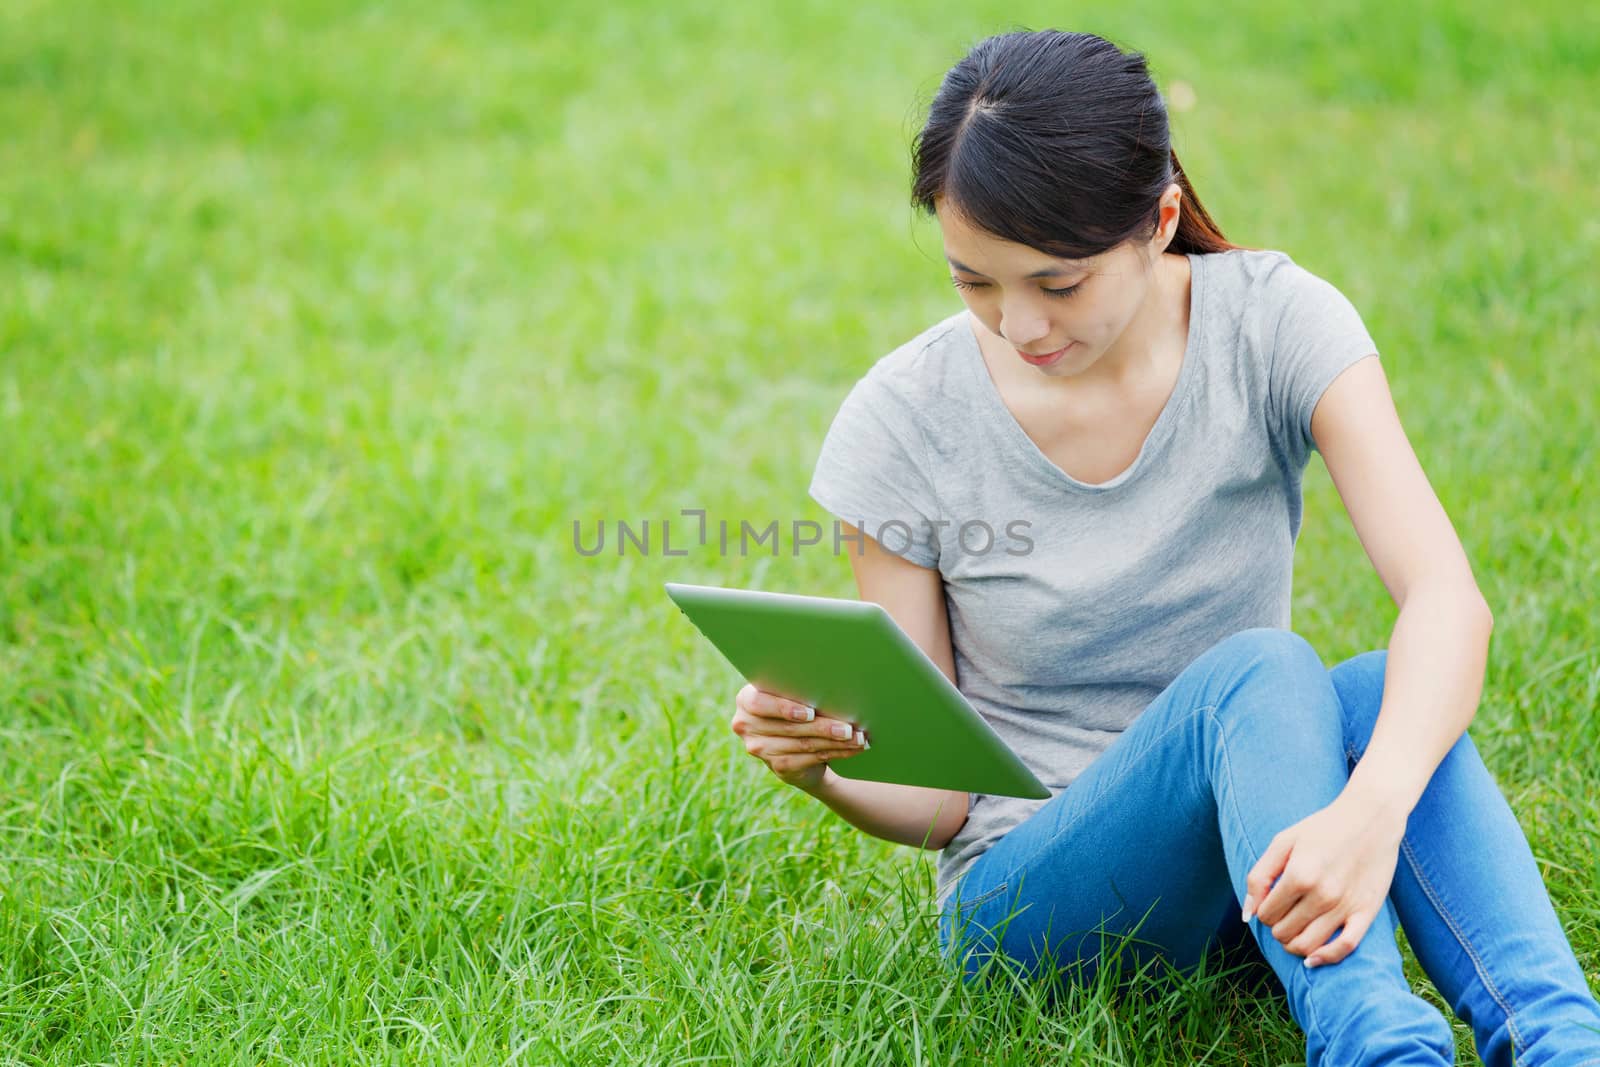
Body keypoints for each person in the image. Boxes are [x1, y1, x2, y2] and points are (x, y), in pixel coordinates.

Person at [727, 27, 1600, 1067]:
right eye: (975, 282)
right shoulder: (904, 420)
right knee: (1267, 669)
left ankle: (1560, 1041)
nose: (1018, 325)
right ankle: (1374, 1044)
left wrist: (1372, 806)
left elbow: (1446, 600)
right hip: (1030, 907)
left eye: (1059, 284)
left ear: (1160, 220)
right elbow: (937, 799)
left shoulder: (1275, 325)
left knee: (1372, 692)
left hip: (1255, 862)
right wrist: (820, 767)